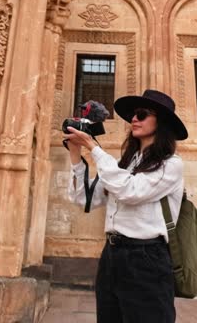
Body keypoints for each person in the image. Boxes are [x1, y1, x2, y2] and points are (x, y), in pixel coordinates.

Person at [64, 89, 188, 323]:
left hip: (146, 258)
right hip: (112, 255)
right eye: (133, 114)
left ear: (161, 122)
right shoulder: (125, 164)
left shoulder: (171, 165)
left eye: (142, 114)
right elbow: (86, 198)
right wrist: (75, 154)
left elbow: (131, 191)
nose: (134, 119)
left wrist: (94, 148)